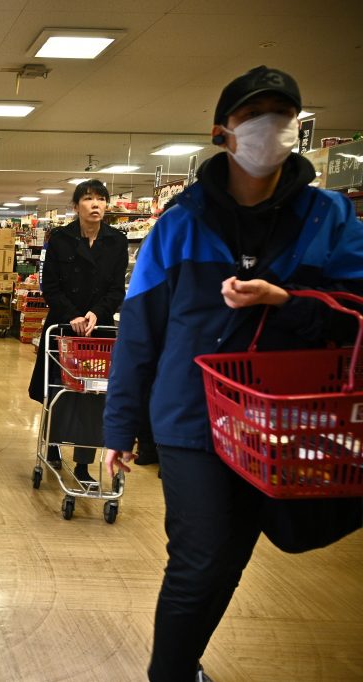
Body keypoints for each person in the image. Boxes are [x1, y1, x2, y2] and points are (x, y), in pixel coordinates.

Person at [103, 66, 363, 682]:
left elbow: (355, 315)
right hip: (192, 418)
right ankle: (170, 674)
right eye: (254, 114)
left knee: (238, 553)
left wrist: (286, 302)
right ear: (223, 132)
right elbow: (139, 333)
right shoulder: (179, 223)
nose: (270, 125)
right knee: (201, 558)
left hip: (286, 419)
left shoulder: (327, 217)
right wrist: (119, 426)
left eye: (283, 112)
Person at [26, 179, 127, 484]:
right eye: (88, 199)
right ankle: (54, 444)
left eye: (101, 199)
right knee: (58, 388)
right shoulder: (60, 238)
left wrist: (96, 313)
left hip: (98, 331)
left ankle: (84, 463)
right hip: (63, 328)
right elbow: (50, 286)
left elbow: (115, 288)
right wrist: (72, 316)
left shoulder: (117, 241)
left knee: (93, 395)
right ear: (76, 206)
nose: (95, 204)